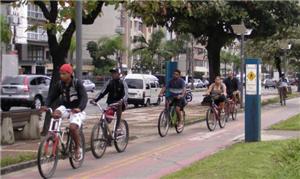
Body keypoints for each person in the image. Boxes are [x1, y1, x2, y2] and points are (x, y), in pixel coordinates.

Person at [41, 64, 88, 160]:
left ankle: (77, 148)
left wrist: (80, 108)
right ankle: (53, 134)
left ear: (70, 74)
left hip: (77, 110)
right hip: (65, 108)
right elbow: (51, 96)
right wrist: (46, 105)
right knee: (56, 113)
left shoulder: (77, 83)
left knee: (73, 128)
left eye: (64, 74)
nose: (61, 76)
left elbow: (84, 97)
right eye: (60, 74)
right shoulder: (60, 84)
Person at [91, 68, 128, 136]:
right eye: (112, 73)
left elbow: (126, 94)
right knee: (105, 118)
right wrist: (95, 100)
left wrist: (122, 100)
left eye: (115, 73)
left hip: (121, 103)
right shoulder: (110, 82)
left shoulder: (122, 82)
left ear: (119, 74)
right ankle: (106, 137)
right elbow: (102, 92)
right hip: (111, 104)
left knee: (119, 107)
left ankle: (117, 129)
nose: (113, 74)